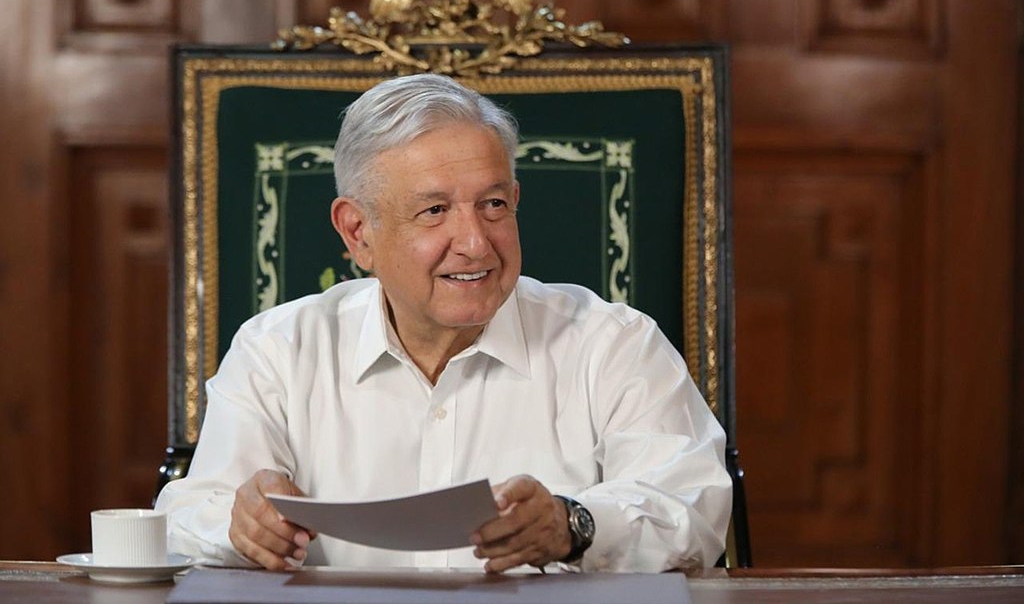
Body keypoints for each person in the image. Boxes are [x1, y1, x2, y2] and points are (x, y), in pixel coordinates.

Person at [155, 73, 731, 573]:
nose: (476, 242)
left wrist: (574, 525)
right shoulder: (278, 351)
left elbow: (693, 508)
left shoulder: (614, 345)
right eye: (434, 211)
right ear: (358, 232)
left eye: (493, 204)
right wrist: (240, 526)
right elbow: (186, 519)